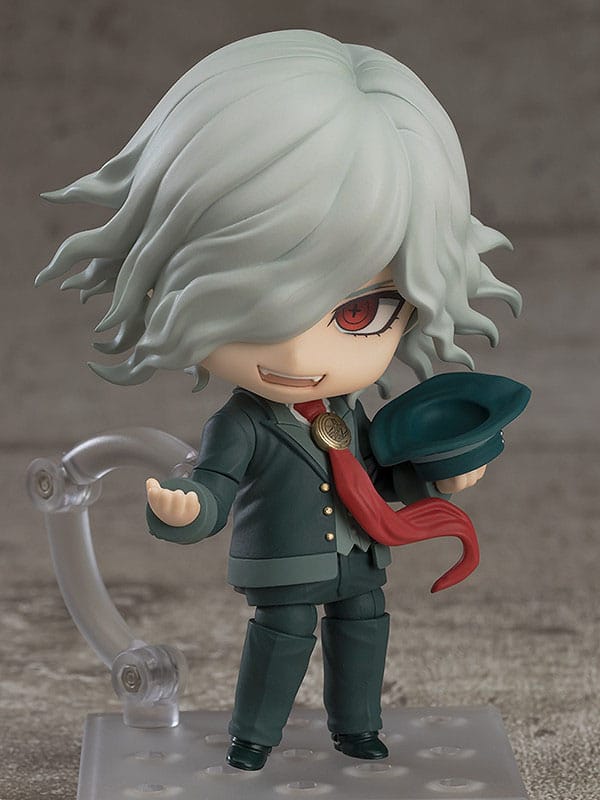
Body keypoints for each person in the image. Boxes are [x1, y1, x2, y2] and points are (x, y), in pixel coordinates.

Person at [36, 30, 521, 771]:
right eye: (251, 307)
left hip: (359, 558)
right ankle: (254, 737)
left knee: (364, 630)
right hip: (284, 565)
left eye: (356, 312)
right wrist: (188, 510)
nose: (297, 356)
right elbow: (214, 486)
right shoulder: (241, 422)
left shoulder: (353, 413)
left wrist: (437, 480)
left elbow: (380, 474)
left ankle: (358, 728)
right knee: (281, 638)